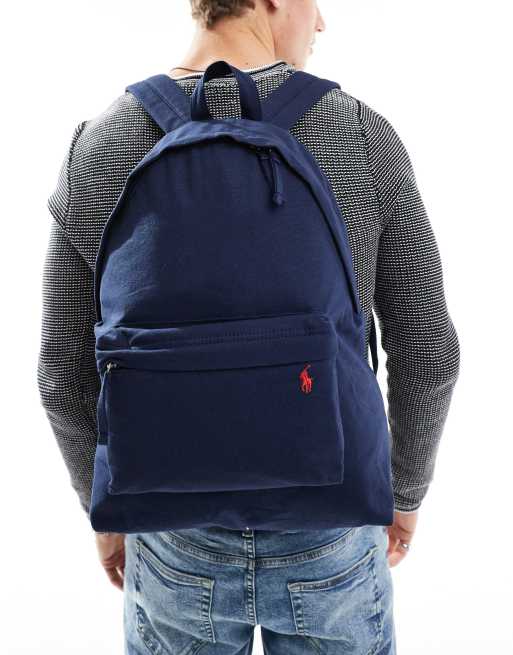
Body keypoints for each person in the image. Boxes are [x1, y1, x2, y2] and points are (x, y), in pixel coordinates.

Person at [38, 0, 460, 652]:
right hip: (331, 517)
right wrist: (402, 494)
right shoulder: (356, 133)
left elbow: (61, 371)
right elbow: (428, 350)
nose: (321, 23)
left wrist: (105, 511)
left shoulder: (101, 144)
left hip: (170, 524)